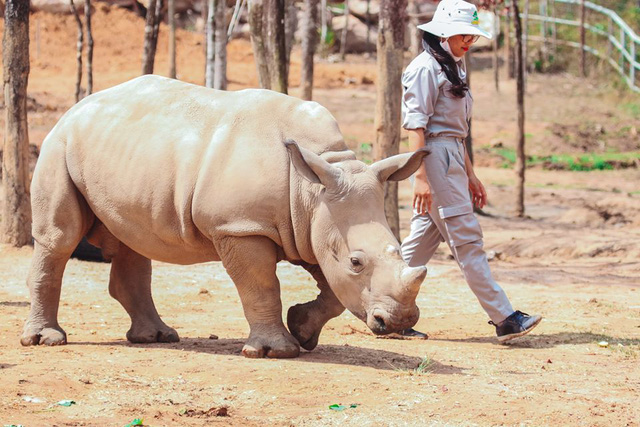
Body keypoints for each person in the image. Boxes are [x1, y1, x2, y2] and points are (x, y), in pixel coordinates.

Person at [398, 0, 541, 342]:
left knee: (416, 248)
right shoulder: (424, 68)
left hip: (452, 157)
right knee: (467, 239)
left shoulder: (452, 65)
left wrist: (471, 174)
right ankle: (504, 318)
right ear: (445, 33)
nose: (469, 42)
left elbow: (456, 131)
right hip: (433, 158)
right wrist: (419, 175)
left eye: (472, 38)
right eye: (465, 36)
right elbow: (416, 126)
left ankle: (383, 310)